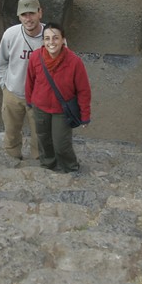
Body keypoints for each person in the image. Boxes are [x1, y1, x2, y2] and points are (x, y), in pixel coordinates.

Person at [25, 22, 91, 172]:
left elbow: (83, 90)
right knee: (44, 140)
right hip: (40, 107)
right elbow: (30, 80)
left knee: (61, 144)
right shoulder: (36, 57)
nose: (51, 42)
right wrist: (29, 102)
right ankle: (48, 166)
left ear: (63, 40)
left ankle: (70, 167)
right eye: (47, 38)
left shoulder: (74, 62)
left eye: (55, 38)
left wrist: (85, 115)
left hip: (62, 111)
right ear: (43, 41)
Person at [0, 0, 45, 159]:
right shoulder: (10, 34)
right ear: (19, 16)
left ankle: (38, 161)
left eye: (32, 13)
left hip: (40, 99)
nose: (28, 18)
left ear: (40, 13)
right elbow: (1, 62)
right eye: (24, 14)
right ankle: (12, 157)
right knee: (11, 132)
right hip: (13, 94)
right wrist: (4, 86)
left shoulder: (53, 37)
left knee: (41, 135)